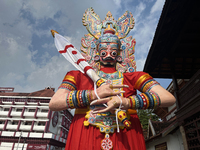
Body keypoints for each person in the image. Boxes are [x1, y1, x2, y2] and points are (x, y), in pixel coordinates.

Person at [49, 8, 176, 150]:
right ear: (96, 53)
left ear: (120, 54)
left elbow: (168, 98)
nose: (108, 54)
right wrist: (93, 94)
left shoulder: (133, 77)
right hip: (85, 136)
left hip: (126, 136)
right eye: (104, 51)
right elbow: (54, 103)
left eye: (113, 51)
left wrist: (127, 102)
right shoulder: (77, 76)